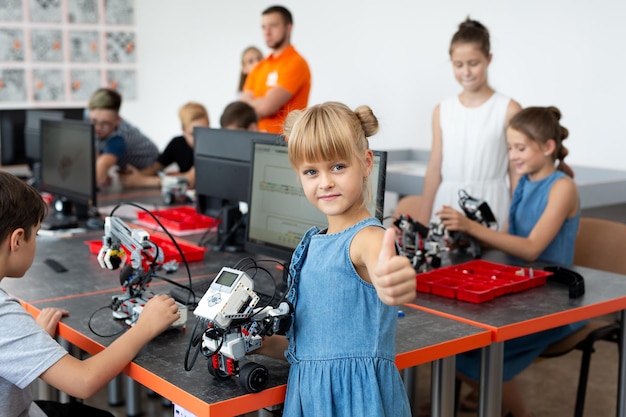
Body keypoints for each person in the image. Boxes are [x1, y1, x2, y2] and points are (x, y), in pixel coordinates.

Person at [257, 102, 416, 416]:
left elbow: (383, 271)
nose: (325, 182)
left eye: (338, 167)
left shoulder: (366, 239)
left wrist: (393, 282)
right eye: (311, 171)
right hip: (310, 395)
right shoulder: (314, 241)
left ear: (367, 163)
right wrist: (254, 340)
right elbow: (304, 348)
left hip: (356, 402)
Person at [437, 106, 585, 417]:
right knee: (453, 340)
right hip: (519, 290)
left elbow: (531, 248)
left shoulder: (562, 187)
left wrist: (472, 227)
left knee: (474, 357)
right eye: (509, 148)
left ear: (547, 147)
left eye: (520, 148)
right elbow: (507, 239)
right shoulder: (524, 182)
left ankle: (498, 400)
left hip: (553, 301)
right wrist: (471, 234)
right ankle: (479, 396)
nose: (512, 156)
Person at [0, 171, 180, 417]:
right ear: (17, 239)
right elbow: (83, 382)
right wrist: (145, 327)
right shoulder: (4, 315)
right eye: (37, 234)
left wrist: (31, 340)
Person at [416, 18, 522, 230]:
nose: (466, 72)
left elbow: (516, 171)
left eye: (473, 64)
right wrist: (422, 223)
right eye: (458, 65)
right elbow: (434, 170)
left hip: (491, 204)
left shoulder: (508, 109)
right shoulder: (442, 110)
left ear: (488, 59)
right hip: (448, 204)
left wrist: (514, 219)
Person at [240, 5, 311, 134]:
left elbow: (266, 107)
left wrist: (257, 101)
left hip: (285, 144)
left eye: (273, 25)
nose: (267, 32)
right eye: (263, 27)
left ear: (288, 28)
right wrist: (263, 100)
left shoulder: (296, 63)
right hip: (255, 141)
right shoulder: (260, 66)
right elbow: (241, 108)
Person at [119, 101, 210, 189]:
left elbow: (190, 178)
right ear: (183, 130)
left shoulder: (212, 147)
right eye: (193, 134)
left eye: (204, 132)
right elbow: (156, 167)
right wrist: (134, 175)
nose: (199, 139)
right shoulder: (177, 144)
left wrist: (143, 181)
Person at [87, 88, 159, 188]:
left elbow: (103, 163)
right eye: (94, 121)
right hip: (126, 171)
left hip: (150, 172)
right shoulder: (102, 127)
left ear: (118, 120)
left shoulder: (119, 137)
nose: (98, 128)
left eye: (105, 123)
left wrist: (101, 171)